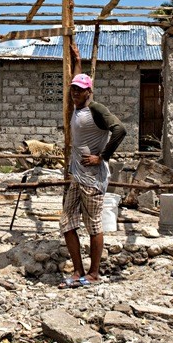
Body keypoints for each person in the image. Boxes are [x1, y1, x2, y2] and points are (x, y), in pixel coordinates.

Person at [59, 71, 126, 288]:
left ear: (89, 91)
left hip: (92, 179)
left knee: (93, 225)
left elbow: (120, 130)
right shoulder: (76, 109)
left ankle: (94, 273)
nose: (75, 93)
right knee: (67, 223)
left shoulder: (95, 109)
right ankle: (78, 270)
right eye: (73, 89)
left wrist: (102, 157)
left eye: (79, 89)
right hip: (77, 177)